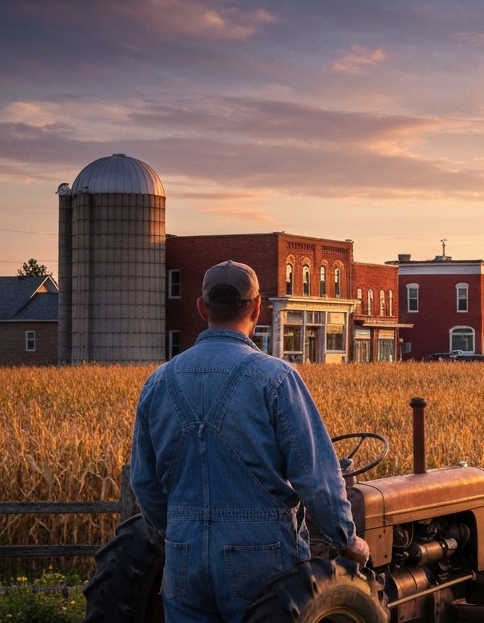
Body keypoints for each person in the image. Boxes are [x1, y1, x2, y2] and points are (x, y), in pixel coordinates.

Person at [130, 260, 369, 622]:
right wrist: (346, 538)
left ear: (202, 308)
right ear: (257, 308)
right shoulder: (276, 378)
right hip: (261, 555)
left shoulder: (158, 381)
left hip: (183, 555)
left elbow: (144, 482)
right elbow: (316, 477)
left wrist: (181, 528)